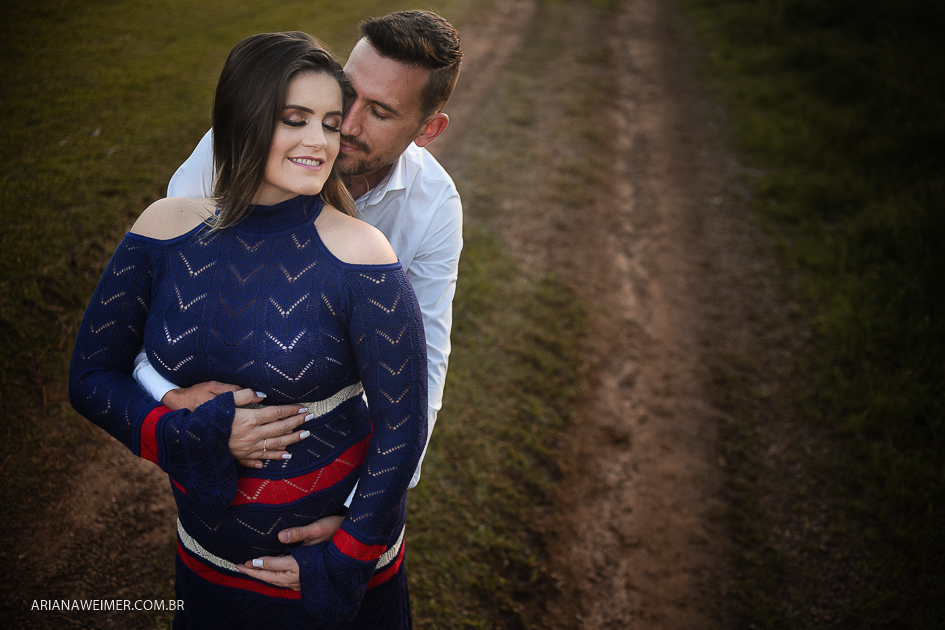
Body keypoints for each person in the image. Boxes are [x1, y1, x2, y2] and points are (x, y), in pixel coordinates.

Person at [70, 31, 427, 627]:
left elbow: (403, 425)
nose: (320, 142)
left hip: (327, 577)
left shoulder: (362, 254)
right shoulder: (164, 230)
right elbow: (90, 375)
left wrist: (345, 555)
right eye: (295, 120)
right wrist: (192, 435)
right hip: (207, 566)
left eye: (330, 124)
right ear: (244, 119)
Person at [133, 10, 464, 557]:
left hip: (333, 439)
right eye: (347, 92)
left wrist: (360, 513)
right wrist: (172, 398)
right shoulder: (233, 149)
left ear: (428, 131)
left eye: (380, 112)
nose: (346, 124)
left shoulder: (433, 208)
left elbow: (422, 365)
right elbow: (149, 303)